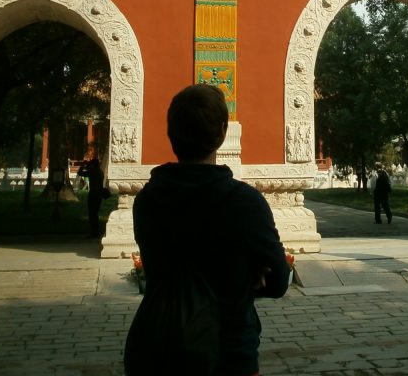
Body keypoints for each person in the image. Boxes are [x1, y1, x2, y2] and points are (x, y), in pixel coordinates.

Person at [124, 83, 291, 375]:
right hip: (227, 350)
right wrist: (248, 276)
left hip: (153, 346)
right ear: (223, 134)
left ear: (170, 134)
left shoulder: (146, 200)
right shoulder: (244, 202)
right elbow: (277, 282)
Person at [77, 157, 108, 238]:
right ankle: (95, 231)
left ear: (93, 165)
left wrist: (83, 165)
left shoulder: (92, 171)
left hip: (94, 193)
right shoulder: (100, 172)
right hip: (99, 194)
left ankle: (94, 232)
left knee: (92, 213)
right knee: (95, 213)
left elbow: (80, 173)